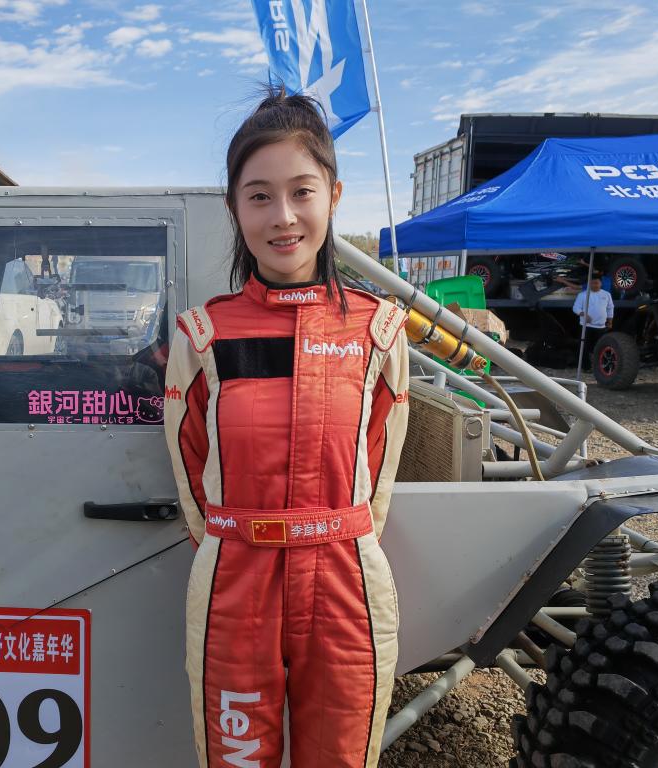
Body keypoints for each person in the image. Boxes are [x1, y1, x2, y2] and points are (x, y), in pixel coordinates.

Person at [163, 89, 409, 768]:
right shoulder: (202, 335)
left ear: (334, 195)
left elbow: (379, 475)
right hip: (234, 585)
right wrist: (238, 543)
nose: (283, 216)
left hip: (346, 585)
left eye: (302, 191)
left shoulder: (379, 331)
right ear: (234, 208)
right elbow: (190, 471)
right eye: (259, 196)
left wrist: (331, 537)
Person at [573, 273, 614, 356]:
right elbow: (576, 308)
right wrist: (583, 314)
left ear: (601, 283)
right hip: (586, 326)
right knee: (584, 347)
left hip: (601, 327)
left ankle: (597, 362)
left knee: (600, 348)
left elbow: (610, 308)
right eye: (592, 283)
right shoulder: (582, 295)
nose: (594, 285)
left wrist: (610, 321)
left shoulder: (607, 294)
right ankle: (584, 363)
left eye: (596, 283)